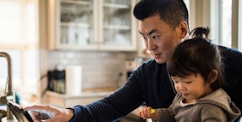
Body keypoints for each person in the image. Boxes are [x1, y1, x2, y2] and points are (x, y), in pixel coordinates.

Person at [24, 0, 242, 121]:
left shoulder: (230, 62)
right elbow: (110, 106)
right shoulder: (147, 73)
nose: (149, 47)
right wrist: (68, 114)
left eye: (155, 36)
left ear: (182, 29)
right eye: (144, 37)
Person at [139, 27, 241, 122]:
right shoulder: (182, 97)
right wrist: (154, 114)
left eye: (188, 81)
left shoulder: (212, 108)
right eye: (176, 81)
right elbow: (171, 114)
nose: (180, 87)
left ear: (211, 77)